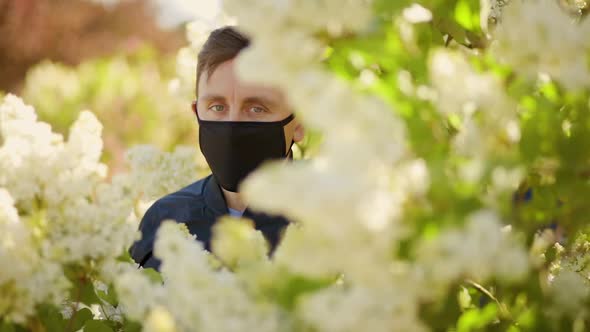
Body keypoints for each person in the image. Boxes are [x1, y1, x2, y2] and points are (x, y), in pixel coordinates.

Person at [129, 26, 305, 270]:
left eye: (256, 108)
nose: (233, 126)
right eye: (217, 107)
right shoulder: (165, 220)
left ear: (300, 121)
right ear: (196, 112)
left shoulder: (331, 225)